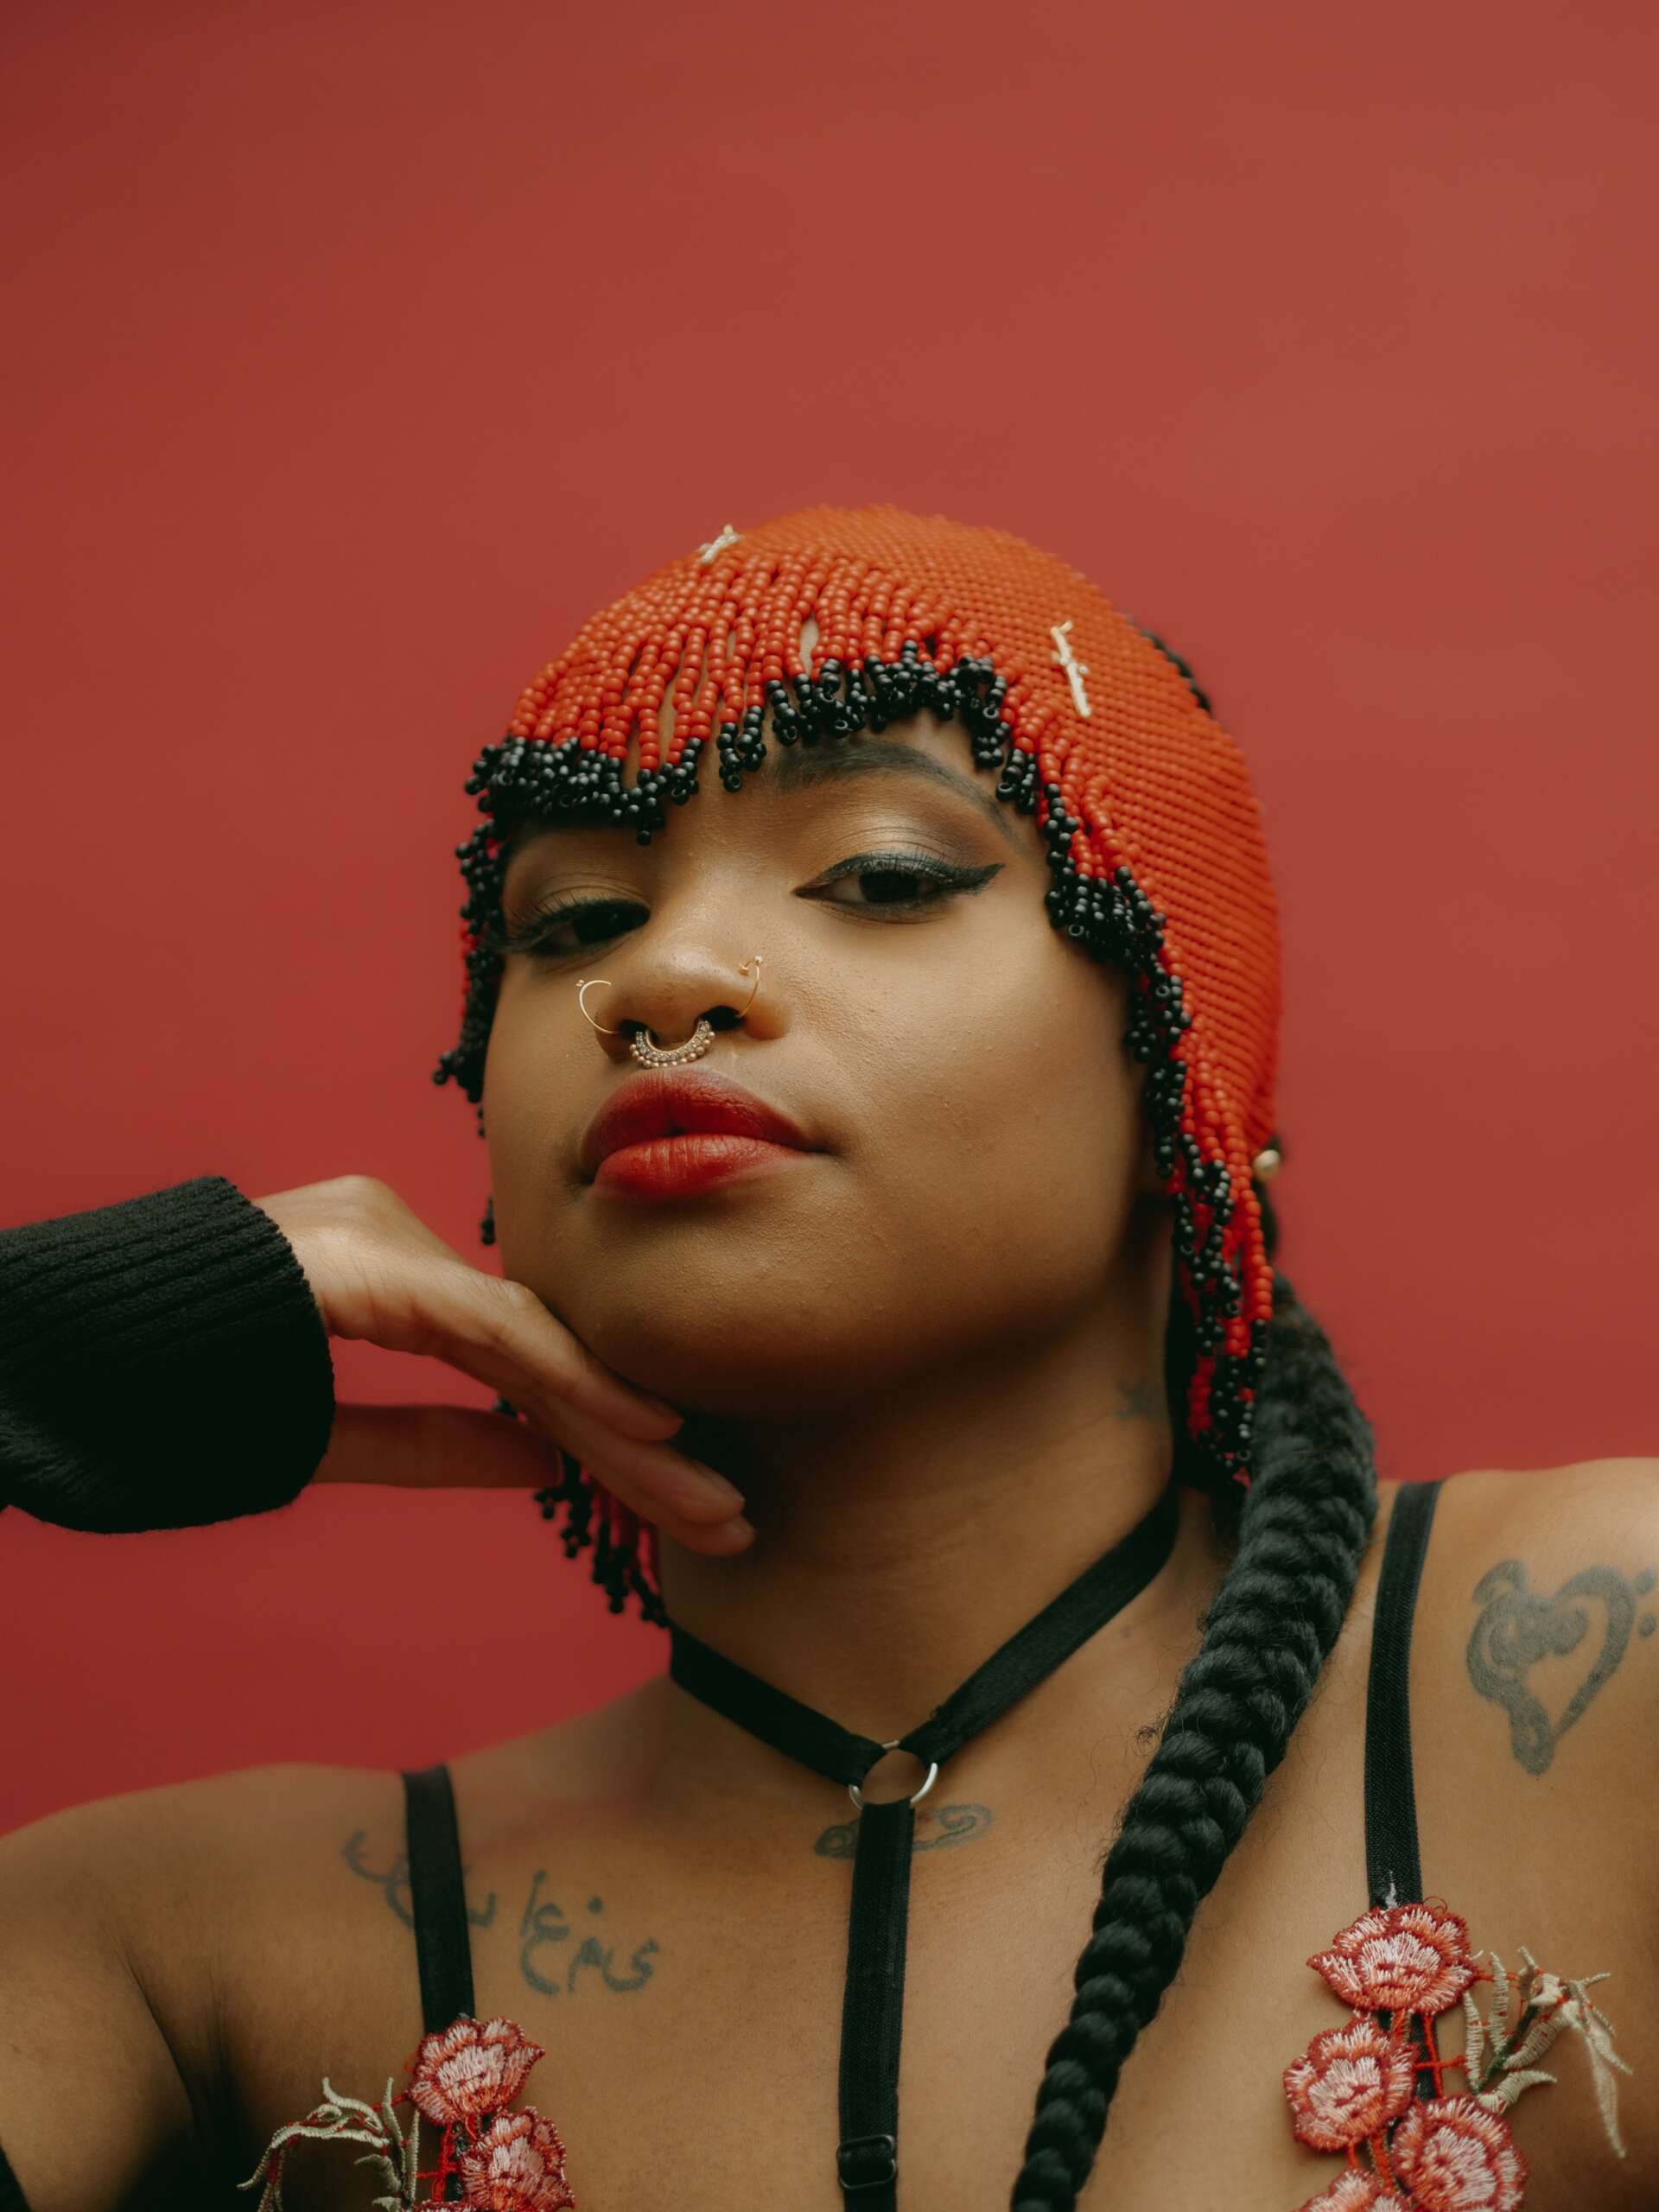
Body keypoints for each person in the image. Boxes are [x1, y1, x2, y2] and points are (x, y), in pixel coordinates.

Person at [1, 503, 1653, 2212]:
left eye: (884, 876)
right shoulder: (193, 1951)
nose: (660, 975)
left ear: (1185, 1070)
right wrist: (35, 1360)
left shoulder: (1605, 1682)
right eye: (571, 920)